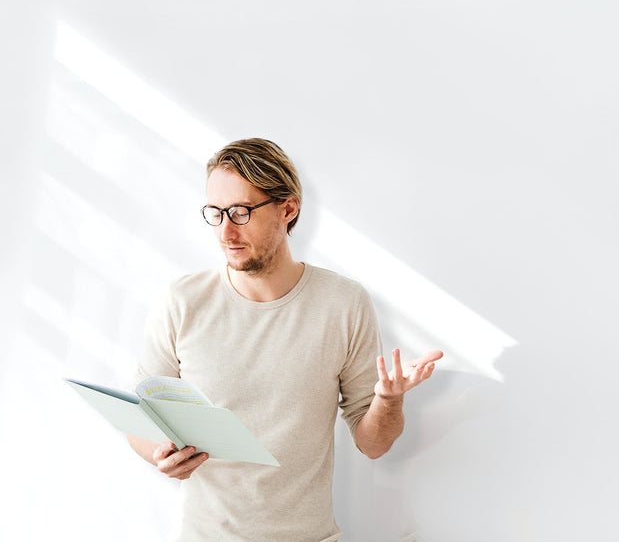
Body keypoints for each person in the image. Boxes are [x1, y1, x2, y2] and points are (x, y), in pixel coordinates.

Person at [127, 137, 443, 541]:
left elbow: (374, 445)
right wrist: (158, 453)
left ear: (288, 208)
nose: (226, 231)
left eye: (241, 212)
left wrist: (388, 399)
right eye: (216, 212)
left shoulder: (343, 303)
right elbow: (141, 418)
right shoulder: (183, 301)